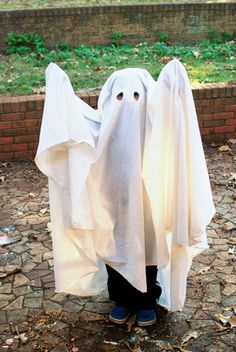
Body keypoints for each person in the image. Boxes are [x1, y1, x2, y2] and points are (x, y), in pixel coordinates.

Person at [35, 60, 215, 327]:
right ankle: (121, 299)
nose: (128, 103)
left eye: (136, 96)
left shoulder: (156, 131)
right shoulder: (99, 130)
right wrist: (62, 93)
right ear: (109, 99)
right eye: (120, 97)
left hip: (147, 207)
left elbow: (173, 126)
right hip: (112, 205)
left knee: (148, 250)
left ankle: (146, 300)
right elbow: (78, 133)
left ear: (148, 99)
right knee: (115, 249)